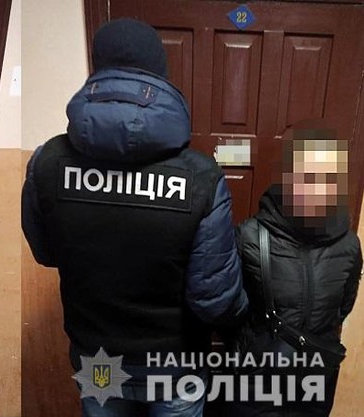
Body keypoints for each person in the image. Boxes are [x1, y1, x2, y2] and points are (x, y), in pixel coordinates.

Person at [21, 18, 248, 416]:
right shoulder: (200, 178)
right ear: (159, 75)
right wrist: (245, 318)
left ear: (98, 70)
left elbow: (46, 252)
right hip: (174, 366)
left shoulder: (47, 163)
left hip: (98, 359)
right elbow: (213, 299)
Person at [227, 122, 362, 416]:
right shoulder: (250, 237)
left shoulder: (349, 245)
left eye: (326, 179)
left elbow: (342, 308)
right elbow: (229, 312)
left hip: (314, 385)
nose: (316, 190)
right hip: (257, 384)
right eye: (306, 177)